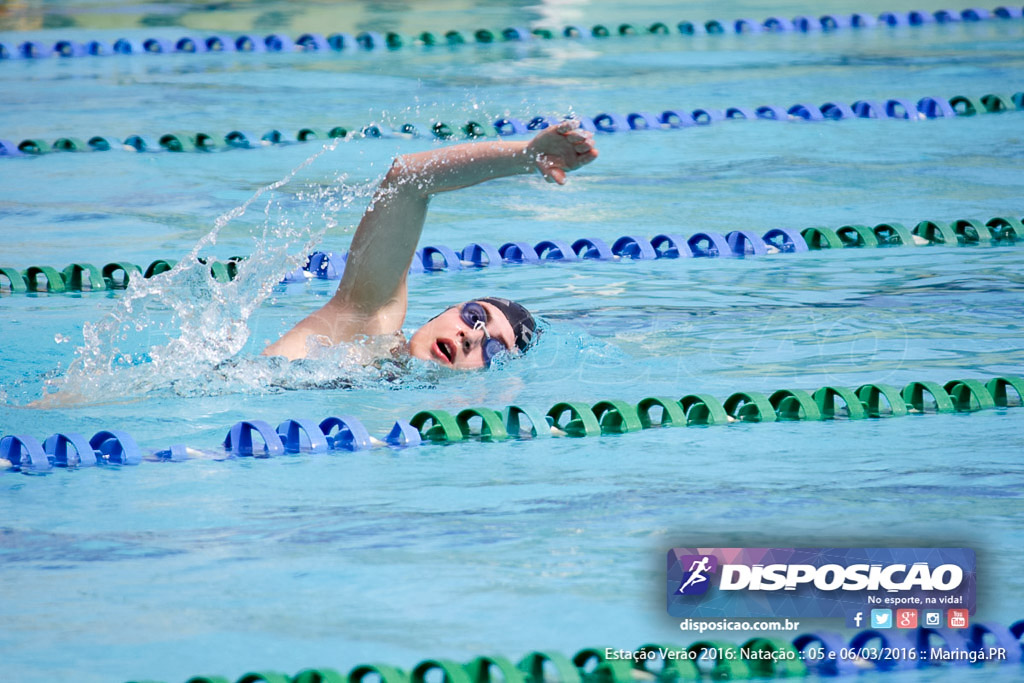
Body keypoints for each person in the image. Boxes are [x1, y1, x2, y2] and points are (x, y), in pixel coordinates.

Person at [262, 120, 599, 369]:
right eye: (473, 316)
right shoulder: (363, 324)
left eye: (494, 349)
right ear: (445, 311)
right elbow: (407, 179)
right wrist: (524, 156)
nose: (472, 337)